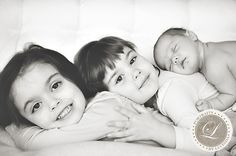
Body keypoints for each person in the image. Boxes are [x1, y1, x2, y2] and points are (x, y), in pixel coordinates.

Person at [0, 44, 172, 151]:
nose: (53, 103)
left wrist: (12, 127)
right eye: (36, 107)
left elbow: (34, 143)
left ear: (72, 78)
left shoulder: (108, 106)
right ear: (27, 120)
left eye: (55, 85)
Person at [74, 36, 218, 154]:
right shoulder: (165, 81)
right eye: (119, 78)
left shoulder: (170, 92)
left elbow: (209, 143)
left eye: (132, 60)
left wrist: (157, 131)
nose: (135, 72)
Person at [153, 27, 236, 112]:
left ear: (191, 36)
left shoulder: (212, 67)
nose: (175, 59)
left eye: (174, 48)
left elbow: (231, 94)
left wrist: (210, 104)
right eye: (170, 65)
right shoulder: (212, 48)